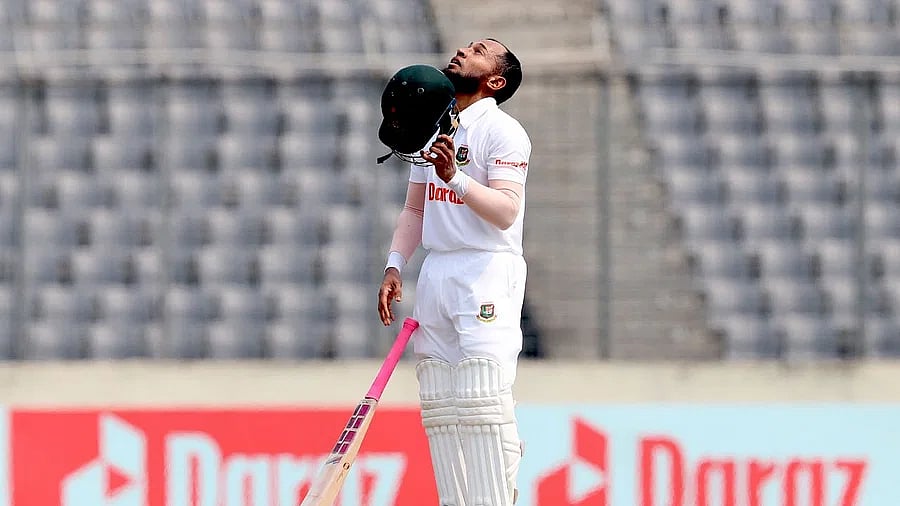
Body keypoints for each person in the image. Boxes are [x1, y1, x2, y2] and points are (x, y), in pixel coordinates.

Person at [377, 38, 530, 506]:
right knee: (441, 405)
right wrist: (394, 265)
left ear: (495, 80)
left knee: (484, 398)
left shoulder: (505, 132)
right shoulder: (433, 127)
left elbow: (505, 211)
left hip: (485, 270)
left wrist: (456, 179)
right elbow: (415, 211)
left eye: (479, 51)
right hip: (438, 272)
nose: (463, 51)